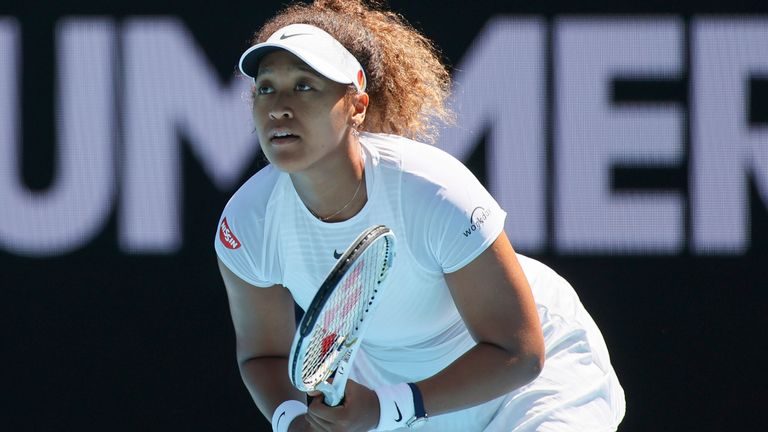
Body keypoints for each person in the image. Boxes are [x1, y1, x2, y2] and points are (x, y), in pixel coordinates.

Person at [215, 1, 626, 431]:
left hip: (530, 378)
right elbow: (263, 355)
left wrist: (387, 407)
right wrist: (292, 419)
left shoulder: (431, 189)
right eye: (266, 88)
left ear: (356, 106)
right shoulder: (248, 224)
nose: (279, 106)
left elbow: (519, 352)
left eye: (304, 87)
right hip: (394, 389)